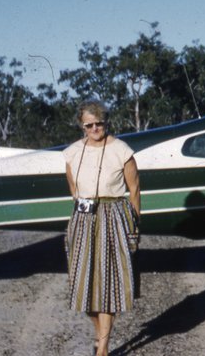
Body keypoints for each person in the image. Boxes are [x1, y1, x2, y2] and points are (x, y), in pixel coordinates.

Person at [64, 101, 141, 356]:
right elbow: (74, 190)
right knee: (84, 288)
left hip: (114, 217)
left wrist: (133, 226)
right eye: (89, 125)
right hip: (84, 220)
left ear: (106, 123)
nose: (95, 128)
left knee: (107, 287)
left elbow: (135, 191)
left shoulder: (122, 151)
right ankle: (100, 335)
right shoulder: (73, 152)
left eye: (99, 123)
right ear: (82, 126)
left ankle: (103, 349)